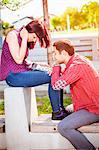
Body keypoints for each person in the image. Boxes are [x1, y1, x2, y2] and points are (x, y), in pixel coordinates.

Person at [0, 19, 68, 120]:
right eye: (34, 37)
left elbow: (23, 62)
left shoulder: (23, 38)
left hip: (21, 72)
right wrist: (24, 38)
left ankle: (61, 109)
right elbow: (18, 60)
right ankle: (57, 112)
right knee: (52, 76)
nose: (35, 40)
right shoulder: (12, 35)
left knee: (55, 73)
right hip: (13, 76)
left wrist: (42, 65)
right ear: (28, 31)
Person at [51, 40, 99, 149]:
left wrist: (55, 68)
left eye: (55, 53)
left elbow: (56, 86)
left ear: (63, 53)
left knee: (63, 127)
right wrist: (58, 71)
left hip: (94, 108)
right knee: (67, 110)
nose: (54, 56)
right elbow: (68, 75)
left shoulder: (76, 66)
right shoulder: (77, 60)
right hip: (87, 104)